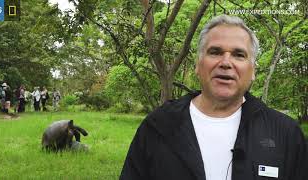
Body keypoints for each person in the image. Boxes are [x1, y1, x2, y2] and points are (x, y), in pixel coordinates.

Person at [120, 15, 308, 180]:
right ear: (198, 65)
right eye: (215, 52)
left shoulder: (285, 133)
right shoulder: (158, 126)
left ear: (253, 72)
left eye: (239, 55)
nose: (226, 62)